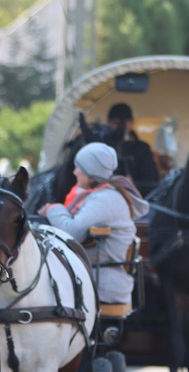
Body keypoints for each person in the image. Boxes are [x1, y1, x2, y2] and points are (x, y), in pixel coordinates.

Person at [38, 142, 148, 311]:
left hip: (101, 282)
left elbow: (73, 231)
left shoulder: (105, 200)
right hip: (89, 275)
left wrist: (54, 209)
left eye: (78, 168)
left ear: (91, 175)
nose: (74, 172)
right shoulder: (101, 196)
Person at [103, 102, 161, 196]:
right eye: (114, 123)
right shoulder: (102, 147)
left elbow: (152, 182)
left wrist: (129, 184)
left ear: (131, 124)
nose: (118, 128)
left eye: (121, 123)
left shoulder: (141, 149)